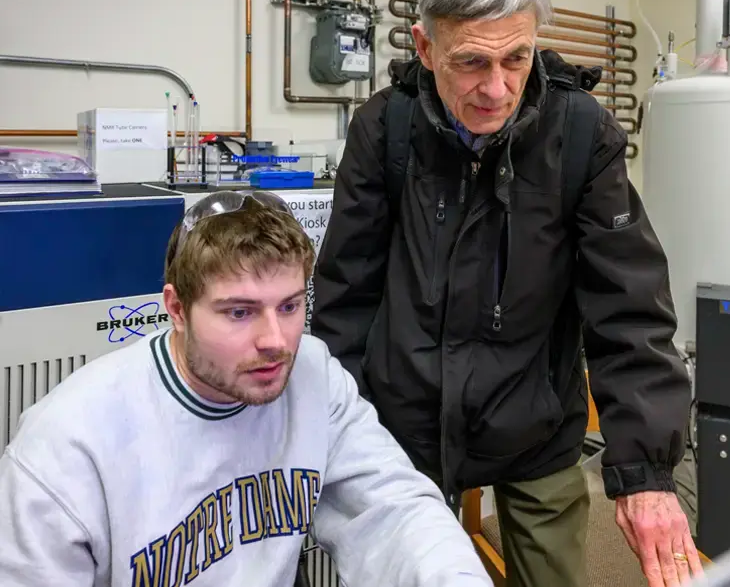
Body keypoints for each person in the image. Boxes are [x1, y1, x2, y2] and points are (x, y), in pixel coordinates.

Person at [310, 0, 702, 586]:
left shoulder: (580, 132)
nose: (497, 88)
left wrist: (647, 473)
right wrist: (337, 436)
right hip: (405, 425)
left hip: (535, 422)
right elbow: (346, 297)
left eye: (516, 58)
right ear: (424, 46)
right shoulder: (385, 129)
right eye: (470, 62)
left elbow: (626, 305)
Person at [0, 191, 494, 587]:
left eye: (290, 306)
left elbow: (393, 508)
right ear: (175, 308)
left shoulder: (314, 376)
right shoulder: (67, 445)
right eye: (239, 312)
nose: (276, 342)